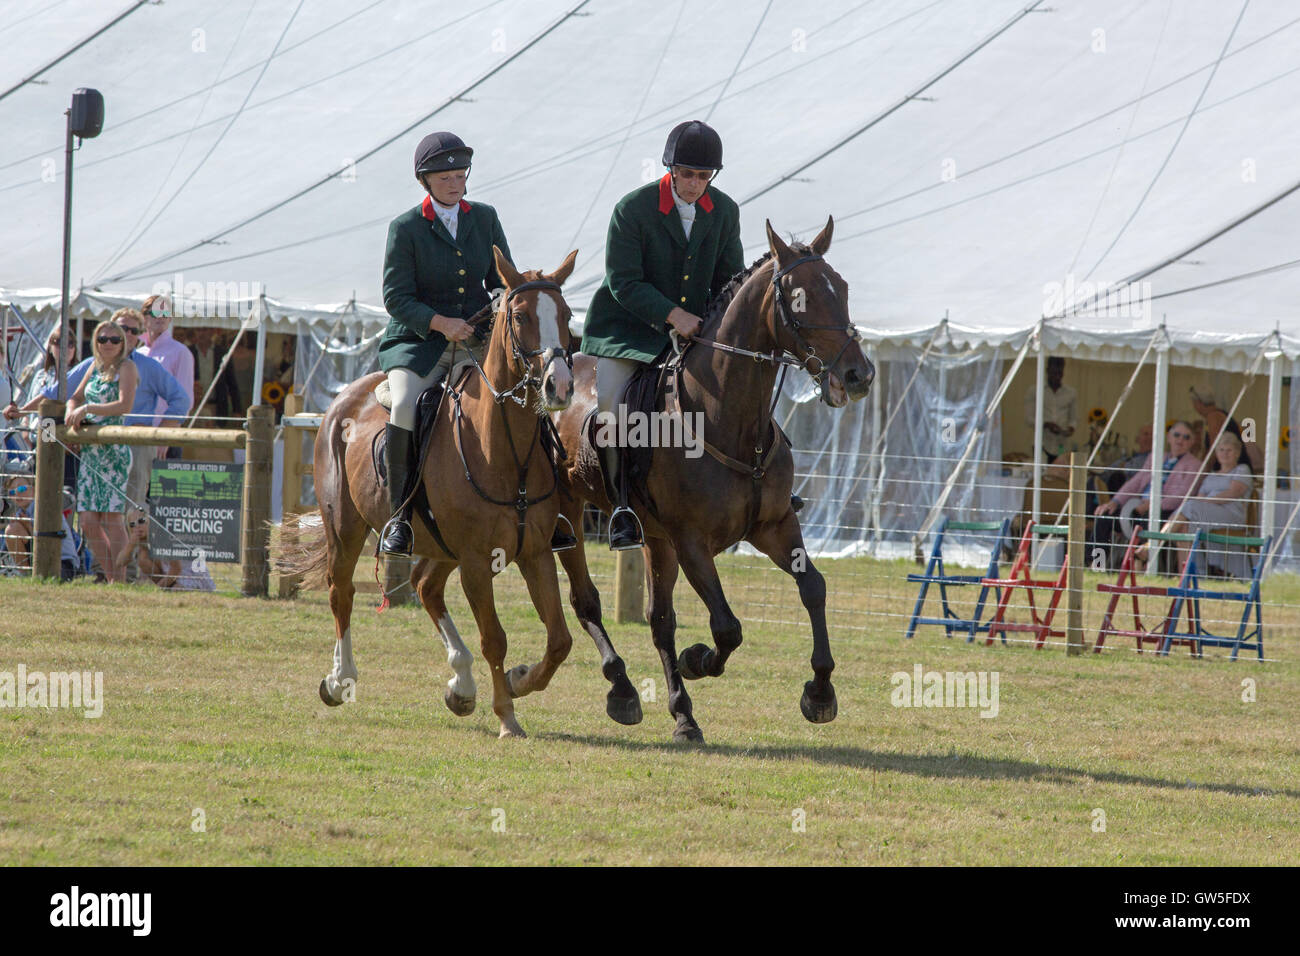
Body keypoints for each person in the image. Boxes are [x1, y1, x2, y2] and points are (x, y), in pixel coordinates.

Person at [580, 119, 744, 549]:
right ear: (670, 168)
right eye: (686, 174)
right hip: (629, 329)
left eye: (703, 176)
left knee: (741, 387)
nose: (694, 184)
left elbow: (730, 280)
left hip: (696, 330)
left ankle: (762, 482)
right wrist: (673, 315)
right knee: (614, 406)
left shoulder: (725, 211)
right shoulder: (632, 209)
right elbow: (624, 281)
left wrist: (710, 325)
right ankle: (620, 508)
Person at [378, 130, 518, 556]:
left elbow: (501, 278)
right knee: (404, 405)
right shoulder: (405, 228)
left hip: (476, 338)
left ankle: (550, 505)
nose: (455, 184)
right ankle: (400, 516)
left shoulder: (485, 217)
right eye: (445, 179)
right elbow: (395, 298)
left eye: (460, 175)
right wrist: (440, 323)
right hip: (420, 344)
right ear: (425, 182)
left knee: (523, 394)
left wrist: (498, 302)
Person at [66, 320, 138, 584]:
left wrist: (88, 409)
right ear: (95, 342)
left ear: (123, 344)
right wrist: (71, 414)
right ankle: (111, 576)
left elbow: (124, 405)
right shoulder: (93, 367)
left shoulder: (127, 367)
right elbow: (74, 396)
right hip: (91, 452)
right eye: (102, 339)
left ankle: (119, 581)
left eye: (114, 339)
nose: (108, 344)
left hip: (114, 451)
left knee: (112, 518)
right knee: (86, 520)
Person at [1090, 420, 1201, 564]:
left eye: (1186, 437)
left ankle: (1139, 568)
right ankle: (1097, 565)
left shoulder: (1195, 464)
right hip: (1138, 506)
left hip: (1165, 510)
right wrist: (1115, 502)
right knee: (1104, 516)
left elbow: (1183, 495)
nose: (1180, 440)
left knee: (1145, 520)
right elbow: (1136, 482)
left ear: (1192, 442)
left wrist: (1152, 505)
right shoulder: (1156, 457)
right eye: (1177, 435)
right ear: (1169, 437)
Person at [1147, 429, 1254, 571]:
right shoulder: (1211, 475)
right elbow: (1200, 497)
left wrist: (1204, 502)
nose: (1225, 453)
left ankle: (1153, 544)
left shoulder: (1242, 469)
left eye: (1229, 450)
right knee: (1184, 527)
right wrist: (1201, 503)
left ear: (1237, 453)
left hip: (1231, 515)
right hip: (1207, 514)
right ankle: (1187, 576)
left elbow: (1233, 493)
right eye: (1221, 450)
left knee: (1191, 506)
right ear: (1216, 453)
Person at [137, 294, 195, 458]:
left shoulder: (181, 352)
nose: (160, 318)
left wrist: (165, 436)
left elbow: (186, 400)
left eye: (165, 313)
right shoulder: (137, 353)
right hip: (136, 435)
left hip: (167, 439)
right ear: (144, 318)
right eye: (155, 313)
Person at [1189, 383, 1264, 473]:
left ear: (1198, 403)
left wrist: (1203, 471)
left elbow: (1213, 448)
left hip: (1233, 470)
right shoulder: (1217, 414)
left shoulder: (1214, 416)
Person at [1023, 356, 1077, 462]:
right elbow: (1029, 418)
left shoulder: (1071, 392)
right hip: (1041, 444)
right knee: (1042, 475)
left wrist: (1070, 429)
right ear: (1047, 371)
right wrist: (1046, 424)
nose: (1057, 376)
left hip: (1062, 445)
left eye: (1060, 373)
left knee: (1059, 475)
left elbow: (1073, 419)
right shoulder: (1034, 391)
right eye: (1054, 373)